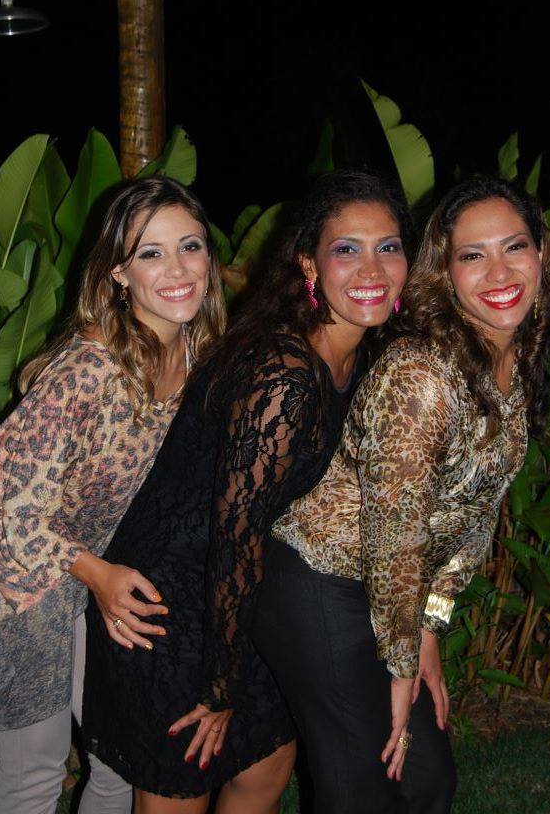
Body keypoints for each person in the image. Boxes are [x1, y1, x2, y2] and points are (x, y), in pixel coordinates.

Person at [82, 169, 412, 814]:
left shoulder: (361, 353)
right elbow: (233, 537)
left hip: (247, 601)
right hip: (171, 603)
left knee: (264, 772)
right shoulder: (285, 376)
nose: (372, 268)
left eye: (389, 246)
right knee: (185, 779)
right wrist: (219, 687)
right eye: (347, 249)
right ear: (309, 265)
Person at [265, 177, 550, 814]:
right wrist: (401, 664)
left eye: (514, 246)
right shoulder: (421, 374)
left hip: (389, 593)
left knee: (427, 782)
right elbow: (396, 534)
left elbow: (474, 517)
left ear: (541, 253)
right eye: (472, 255)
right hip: (319, 585)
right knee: (363, 790)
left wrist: (429, 625)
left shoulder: (509, 359)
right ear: (446, 272)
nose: (499, 273)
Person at [0, 177, 226, 814]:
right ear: (119, 275)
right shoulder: (90, 370)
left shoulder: (197, 351)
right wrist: (98, 574)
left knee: (120, 758)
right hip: (19, 586)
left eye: (189, 246)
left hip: (93, 580)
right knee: (36, 773)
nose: (178, 269)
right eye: (151, 253)